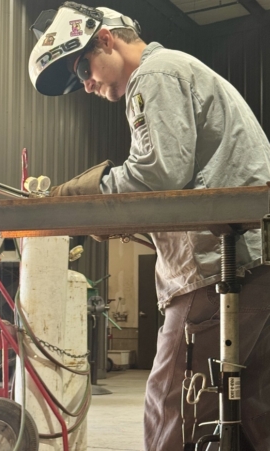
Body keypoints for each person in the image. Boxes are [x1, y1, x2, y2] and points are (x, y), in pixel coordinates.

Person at [29, 2, 270, 450]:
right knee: (252, 411)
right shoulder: (177, 72)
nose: (87, 84)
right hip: (249, 265)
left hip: (217, 270)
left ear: (105, 39)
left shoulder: (154, 75)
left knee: (172, 411)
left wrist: (81, 194)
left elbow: (157, 175)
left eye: (82, 67)